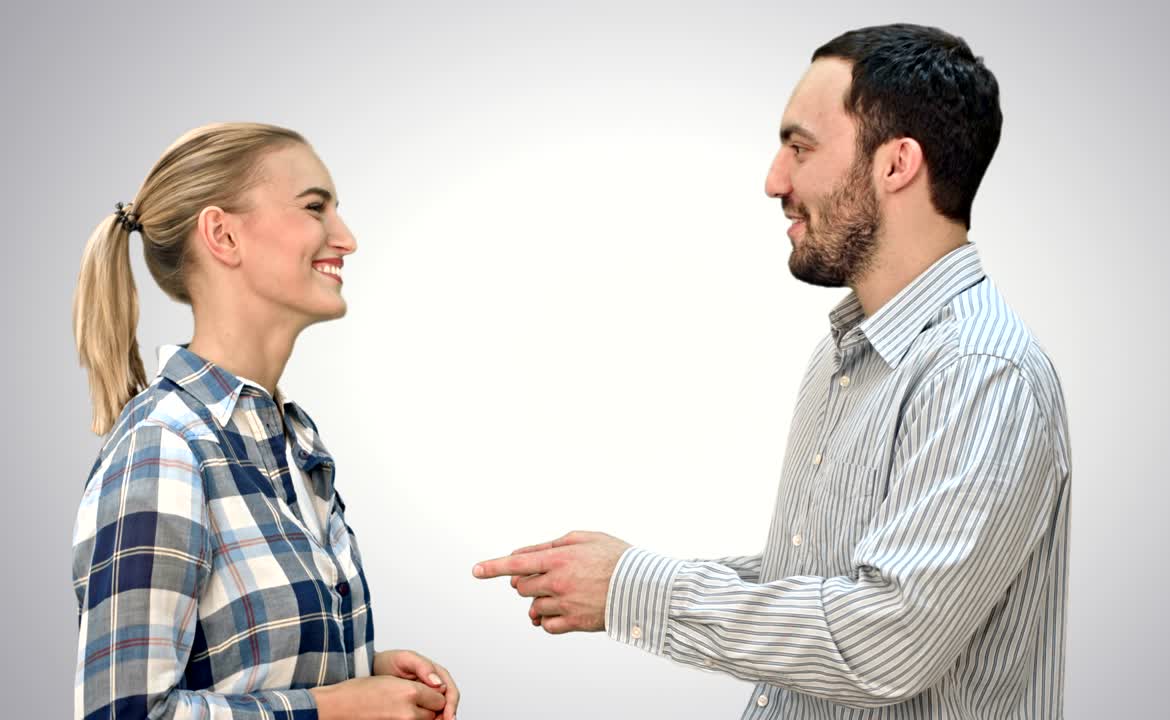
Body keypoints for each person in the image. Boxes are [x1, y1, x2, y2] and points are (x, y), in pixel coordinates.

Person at [474, 24, 1071, 719]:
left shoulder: (982, 374)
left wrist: (636, 587)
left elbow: (887, 636)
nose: (773, 181)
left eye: (800, 147)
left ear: (896, 164)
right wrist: (615, 578)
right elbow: (820, 588)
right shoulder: (845, 357)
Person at [71, 122, 459, 720]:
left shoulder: (293, 442)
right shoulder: (165, 447)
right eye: (315, 208)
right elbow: (125, 715)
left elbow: (236, 666)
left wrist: (359, 670)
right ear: (223, 235)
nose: (346, 238)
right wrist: (334, 711)